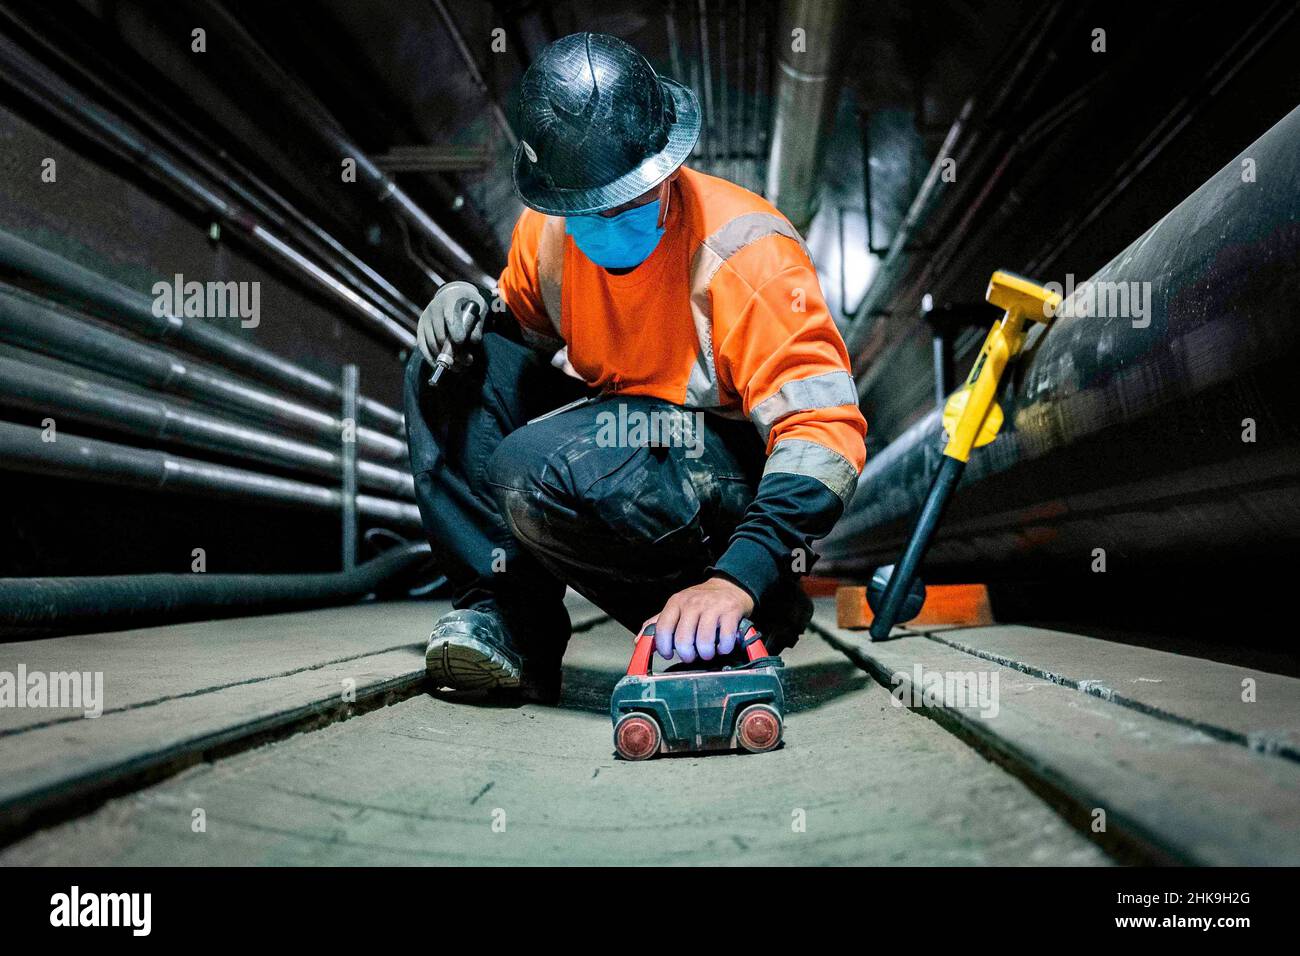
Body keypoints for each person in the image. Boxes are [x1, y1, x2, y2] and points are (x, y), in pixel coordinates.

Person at [405, 32, 866, 701]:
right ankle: (509, 621)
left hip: (716, 478)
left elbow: (824, 434)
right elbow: (517, 331)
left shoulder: (746, 252)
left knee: (535, 466)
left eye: (629, 199)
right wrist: (469, 305)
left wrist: (742, 573)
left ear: (666, 168)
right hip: (622, 436)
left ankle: (735, 619)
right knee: (443, 369)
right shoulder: (551, 233)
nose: (607, 220)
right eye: (589, 207)